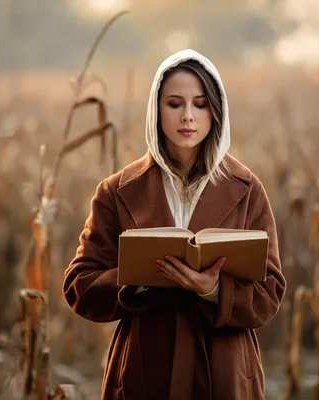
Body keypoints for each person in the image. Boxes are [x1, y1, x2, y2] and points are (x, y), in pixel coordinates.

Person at [62, 49, 286, 400]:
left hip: (223, 368)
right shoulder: (116, 191)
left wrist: (213, 290)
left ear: (216, 111)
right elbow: (79, 285)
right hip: (145, 364)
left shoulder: (247, 189)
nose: (187, 116)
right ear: (156, 109)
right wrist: (134, 280)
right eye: (174, 103)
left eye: (200, 104)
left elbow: (269, 292)